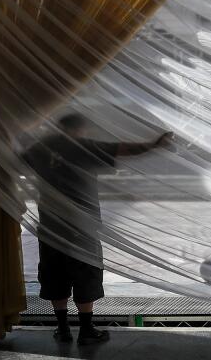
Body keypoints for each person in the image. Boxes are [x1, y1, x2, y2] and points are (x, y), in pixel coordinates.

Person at [26, 113, 172, 344]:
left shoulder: (39, 148)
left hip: (51, 225)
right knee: (86, 273)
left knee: (55, 274)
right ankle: (86, 329)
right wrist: (155, 145)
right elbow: (125, 149)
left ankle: (62, 329)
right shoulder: (83, 146)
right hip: (82, 225)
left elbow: (13, 159)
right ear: (80, 129)